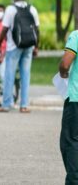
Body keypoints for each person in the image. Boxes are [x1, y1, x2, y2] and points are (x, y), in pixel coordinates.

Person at [0, 0, 40, 113]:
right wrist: (36, 46)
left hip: (13, 47)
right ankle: (24, 105)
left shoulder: (10, 9)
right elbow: (37, 29)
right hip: (28, 46)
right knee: (26, 75)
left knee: (9, 75)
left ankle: (6, 105)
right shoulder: (32, 9)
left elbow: (4, 29)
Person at [59, 30, 78, 184]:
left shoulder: (77, 36)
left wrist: (63, 73)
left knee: (70, 142)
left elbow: (66, 64)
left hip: (76, 100)